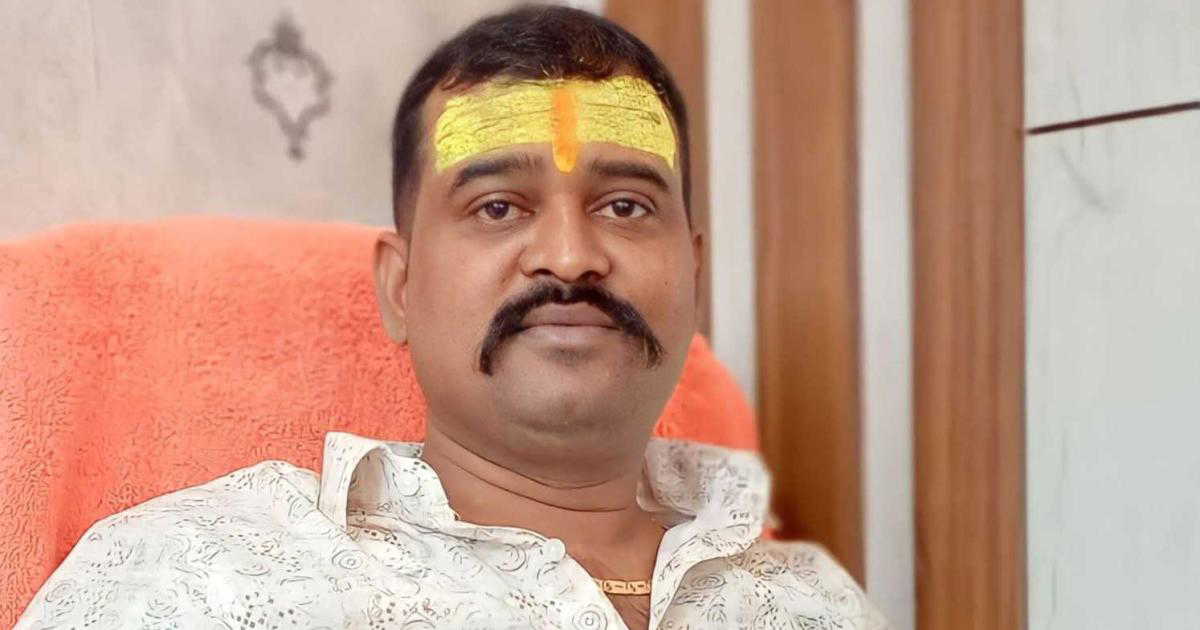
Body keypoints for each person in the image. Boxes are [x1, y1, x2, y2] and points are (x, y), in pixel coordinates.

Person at [16, 5, 886, 629]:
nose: (570, 256)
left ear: (692, 271)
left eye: (624, 206)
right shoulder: (198, 573)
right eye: (498, 207)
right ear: (399, 287)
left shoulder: (818, 601)